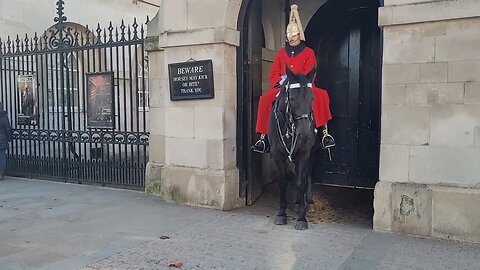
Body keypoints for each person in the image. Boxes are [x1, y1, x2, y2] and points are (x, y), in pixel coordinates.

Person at [252, 4, 335, 153]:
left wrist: (299, 80)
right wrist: (283, 81)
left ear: (299, 35)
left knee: (321, 95)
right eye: (289, 35)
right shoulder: (281, 53)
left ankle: (324, 133)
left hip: (304, 86)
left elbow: (311, 71)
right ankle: (263, 138)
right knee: (265, 99)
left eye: (294, 34)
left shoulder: (308, 52)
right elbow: (274, 74)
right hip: (284, 86)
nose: (291, 37)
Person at [0, 102, 13, 179]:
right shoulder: (4, 116)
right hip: (3, 140)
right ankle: (1, 174)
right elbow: (8, 129)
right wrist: (9, 139)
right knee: (2, 157)